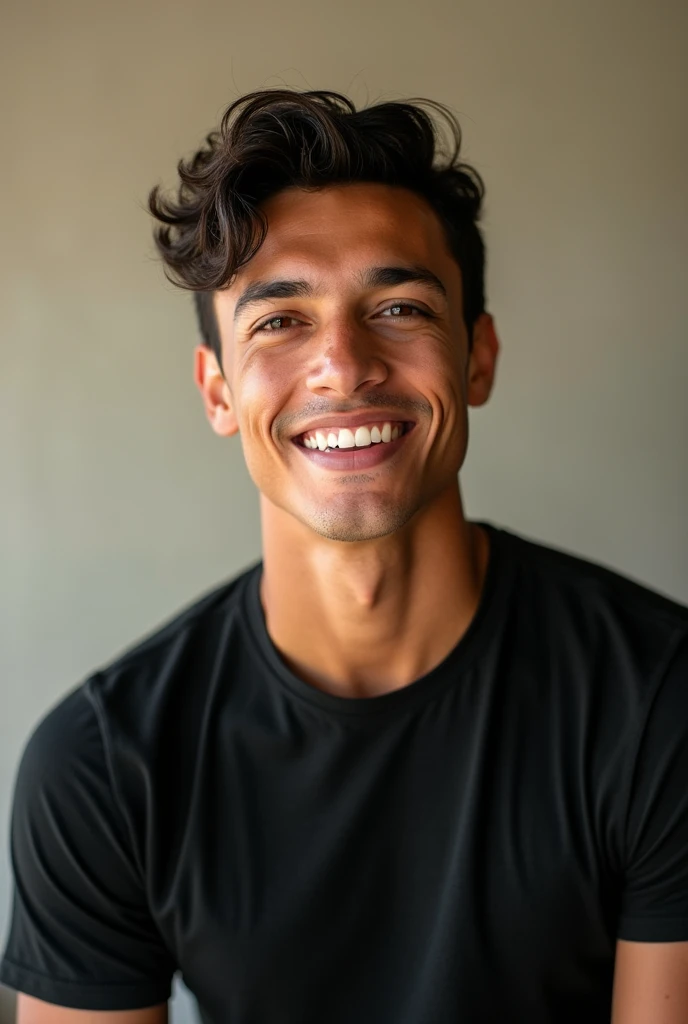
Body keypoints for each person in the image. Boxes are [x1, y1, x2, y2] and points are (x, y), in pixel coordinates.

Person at [1, 89, 687, 1024]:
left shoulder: (660, 702)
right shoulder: (104, 766)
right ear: (217, 392)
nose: (344, 363)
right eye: (279, 321)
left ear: (477, 357)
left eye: (398, 306)